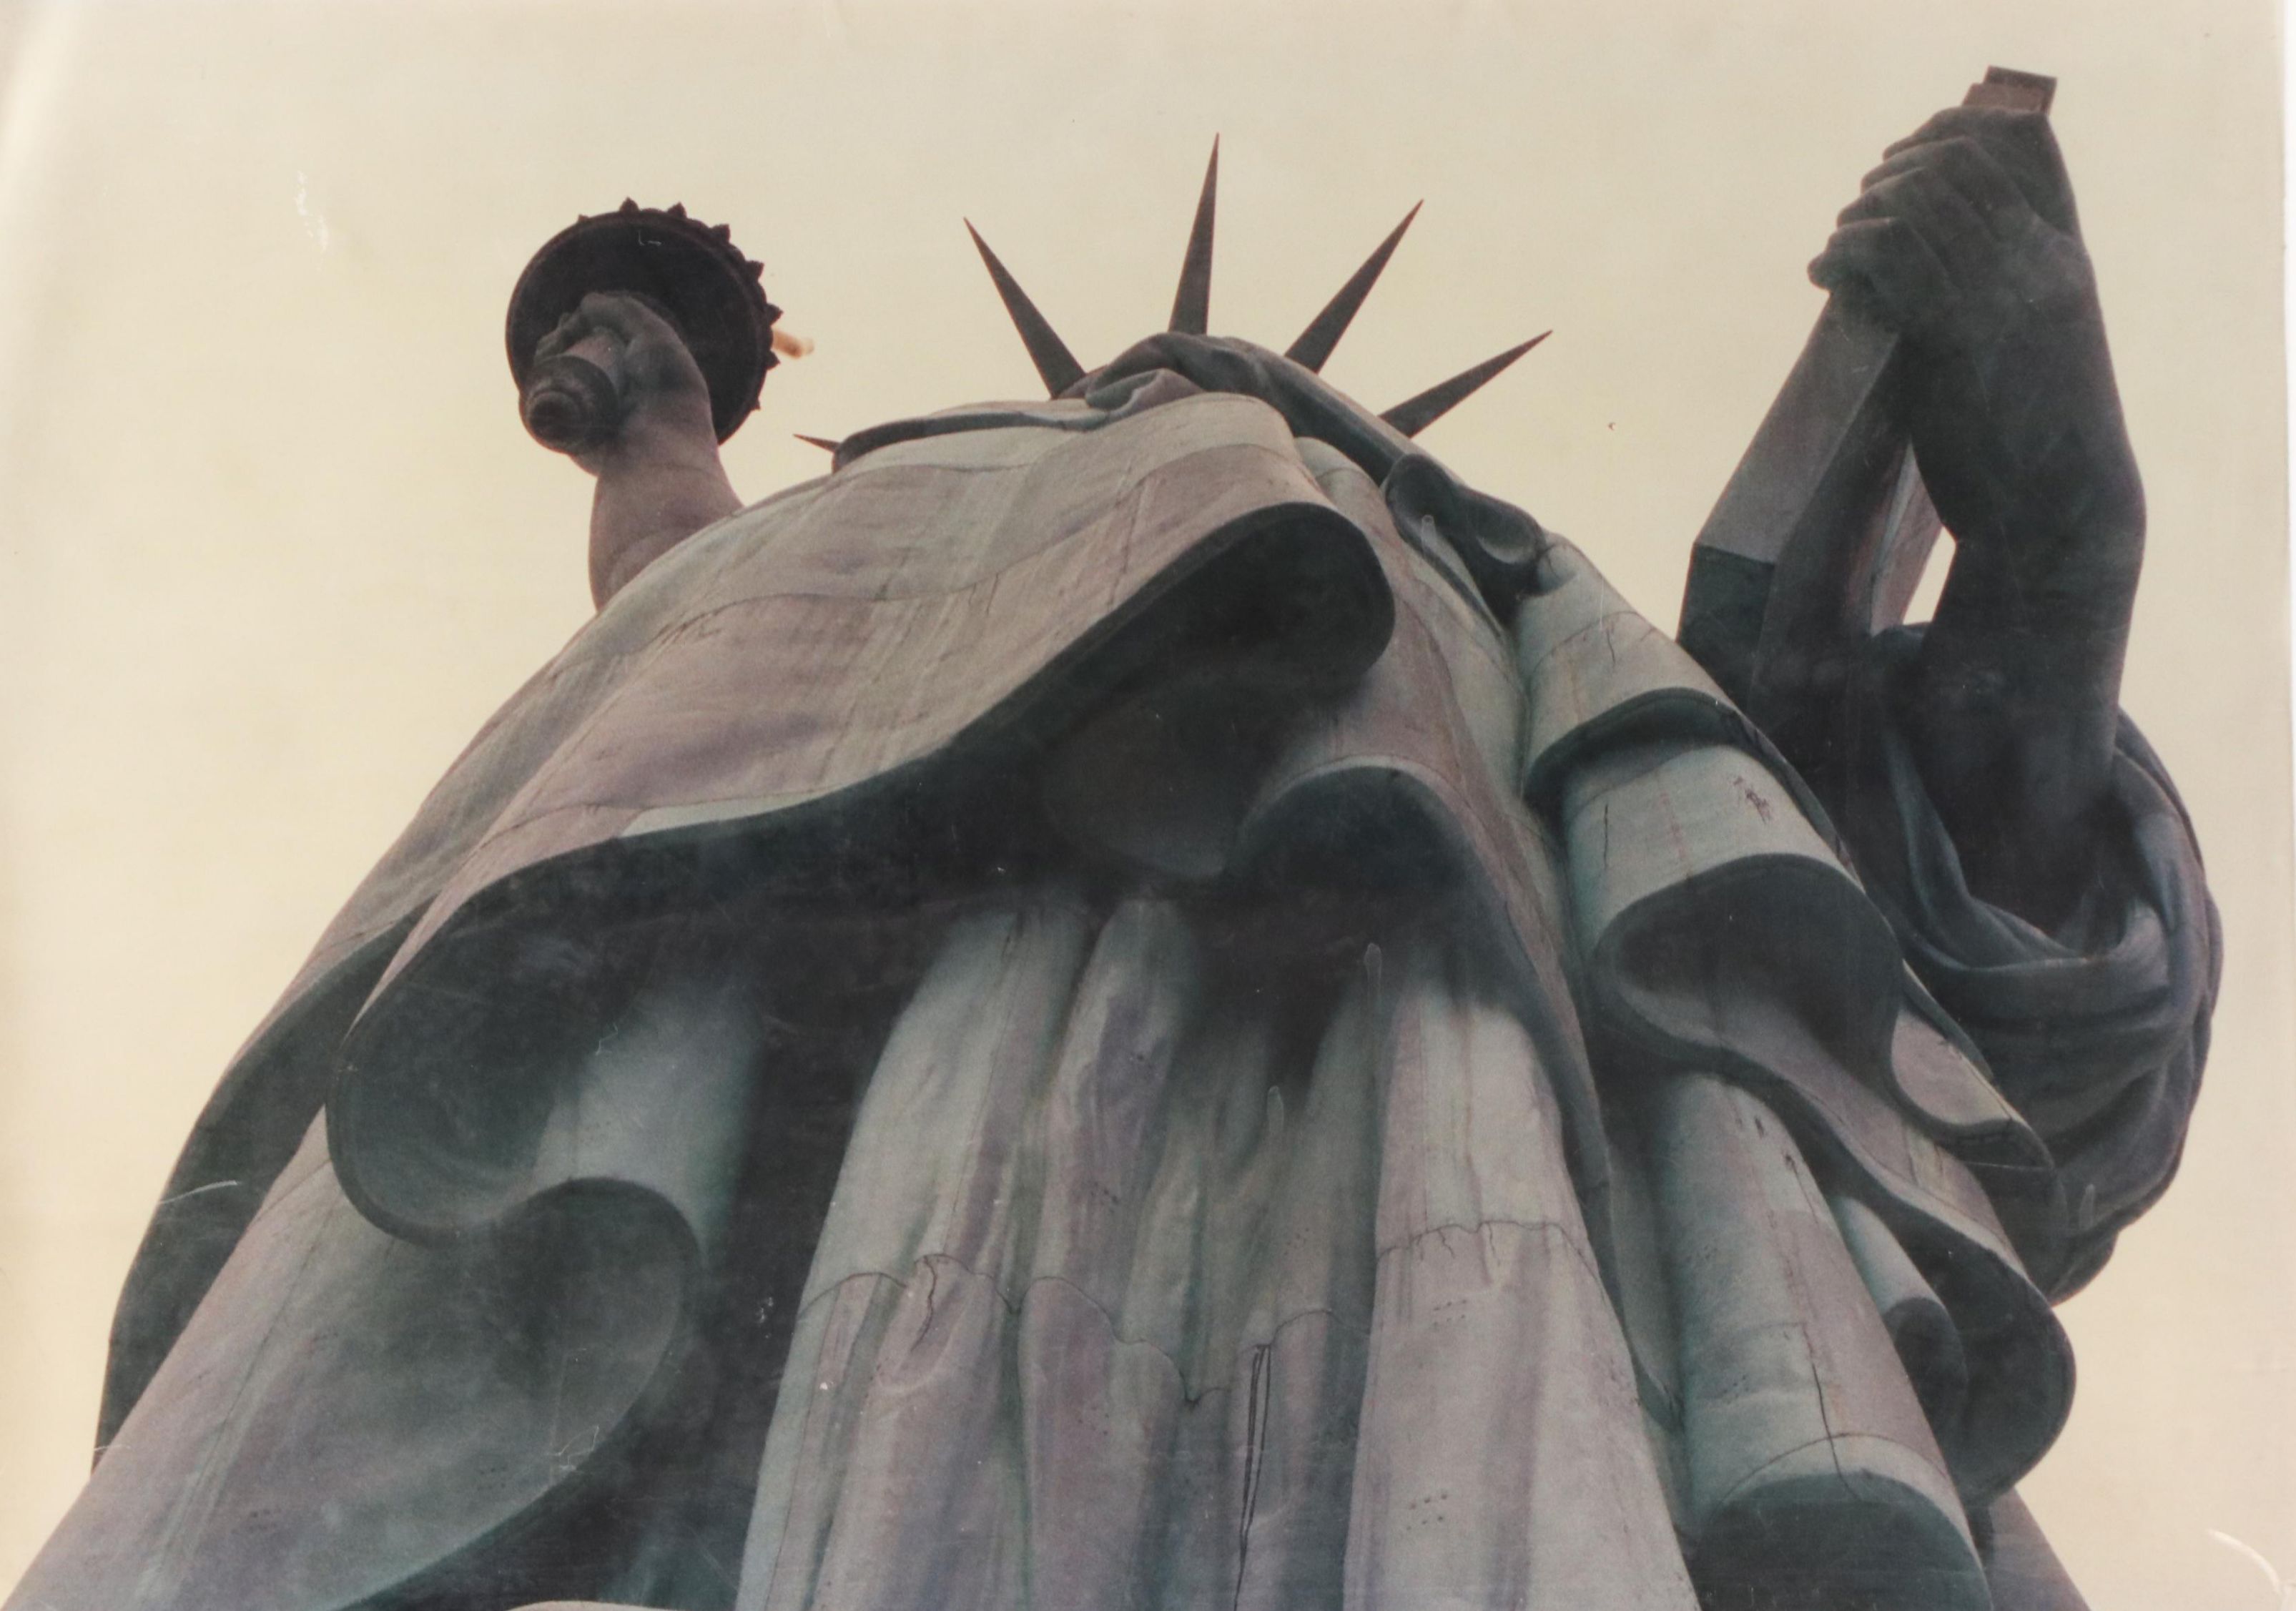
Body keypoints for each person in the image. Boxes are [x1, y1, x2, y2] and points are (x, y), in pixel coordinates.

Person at [9, 102, 2212, 1611]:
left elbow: (1912, 937)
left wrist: (2057, 502)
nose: (1179, 440)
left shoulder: (1495, 613)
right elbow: (700, 698)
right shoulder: (933, 557)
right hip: (989, 1075)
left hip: (1460, 1028)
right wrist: (662, 434)